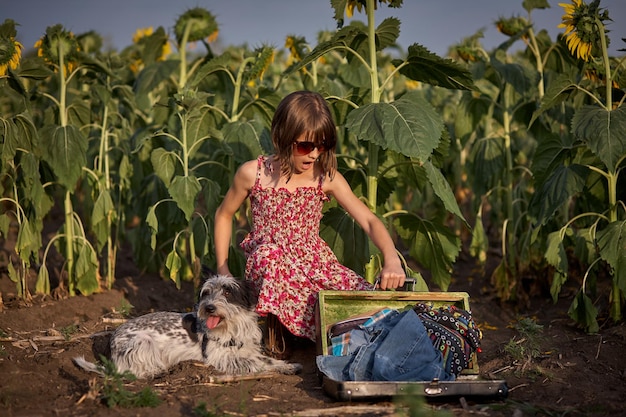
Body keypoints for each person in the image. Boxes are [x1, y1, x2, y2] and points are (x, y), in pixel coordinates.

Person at [214, 90, 405, 344]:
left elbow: (369, 220)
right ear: (281, 137)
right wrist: (223, 271)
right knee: (270, 258)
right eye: (305, 146)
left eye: (322, 145)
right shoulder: (254, 173)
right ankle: (328, 331)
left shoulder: (325, 177)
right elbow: (224, 215)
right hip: (270, 264)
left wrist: (391, 258)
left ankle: (336, 329)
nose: (314, 154)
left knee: (358, 296)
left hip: (314, 263)